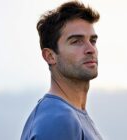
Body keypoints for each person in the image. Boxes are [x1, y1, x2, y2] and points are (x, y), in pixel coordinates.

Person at [21, 1, 102, 140]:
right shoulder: (58, 118)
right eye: (76, 41)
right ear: (50, 56)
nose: (91, 49)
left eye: (92, 41)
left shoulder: (71, 114)